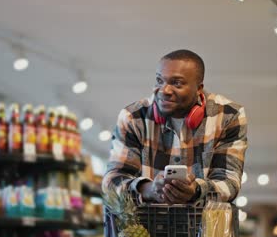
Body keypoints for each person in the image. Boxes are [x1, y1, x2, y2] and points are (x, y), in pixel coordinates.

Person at [102, 49, 247, 204]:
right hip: (145, 224)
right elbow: (112, 181)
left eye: (176, 83)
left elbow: (229, 182)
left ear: (199, 88)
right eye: (159, 81)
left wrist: (196, 190)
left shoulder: (228, 116)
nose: (164, 90)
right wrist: (149, 189)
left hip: (204, 225)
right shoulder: (133, 117)